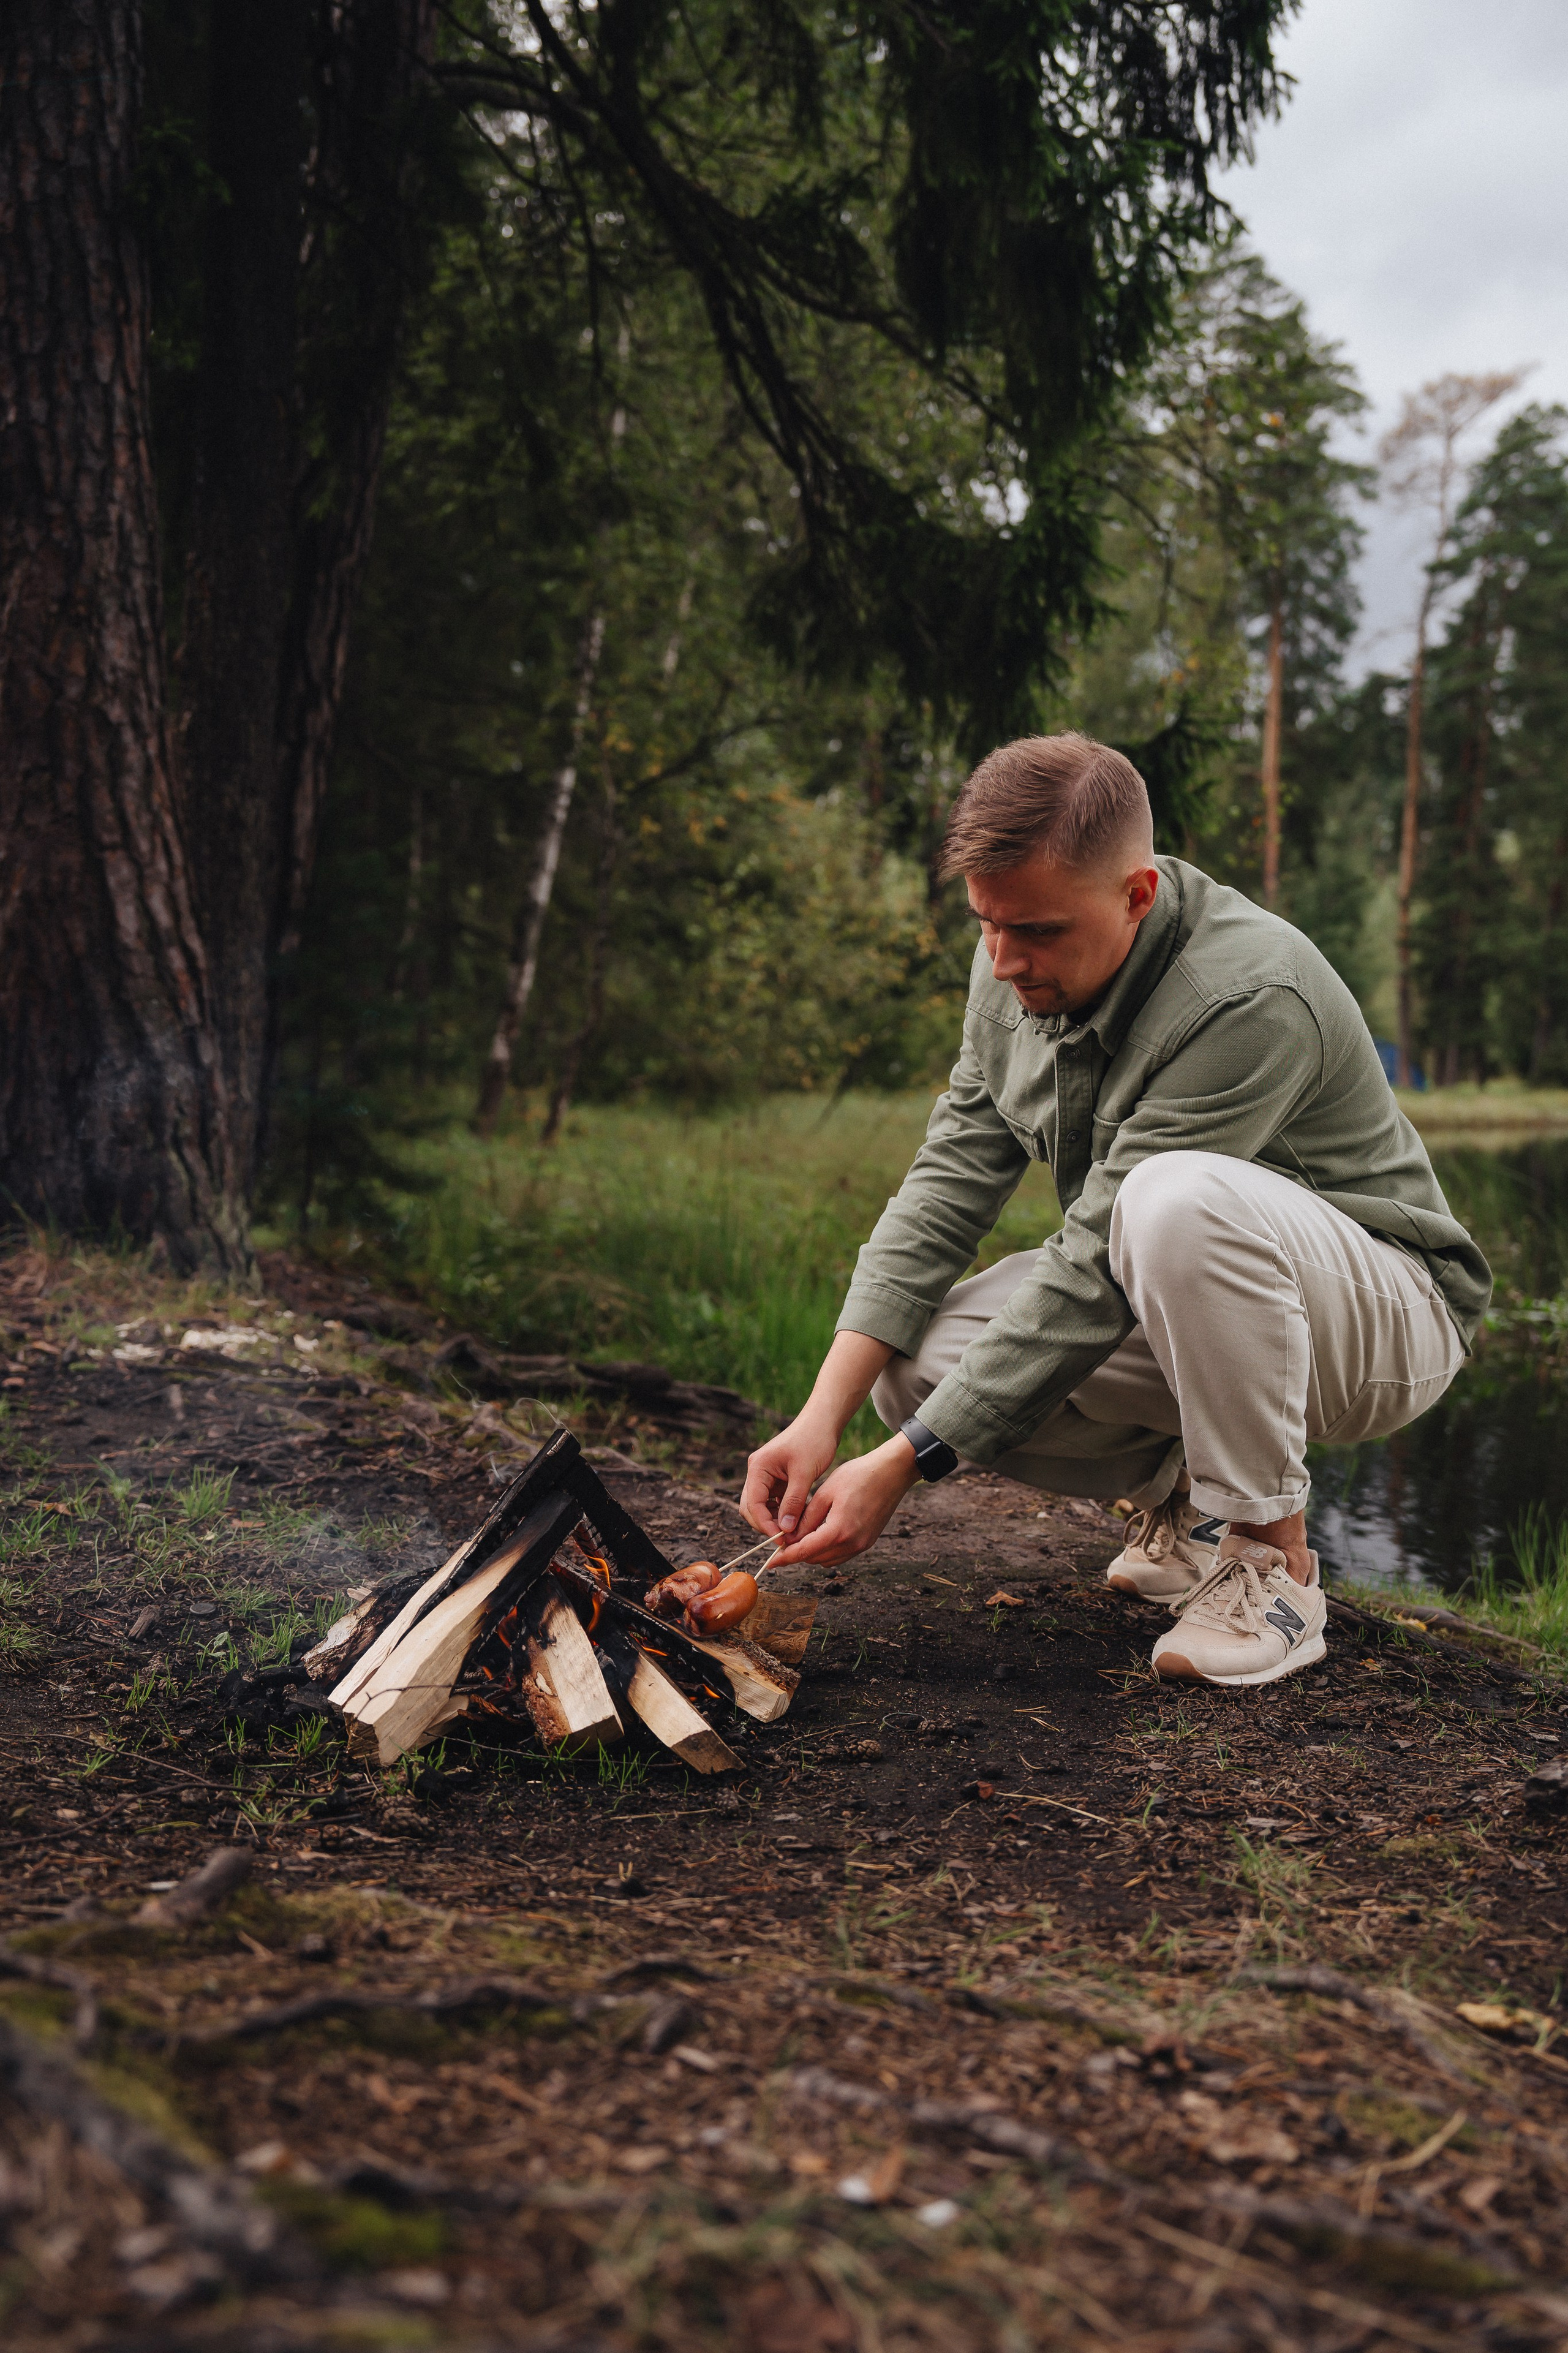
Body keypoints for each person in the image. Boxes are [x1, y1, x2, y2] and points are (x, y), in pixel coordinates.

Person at [739, 733, 1491, 1688]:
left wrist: (898, 1470)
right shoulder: (1013, 957)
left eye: (1039, 931)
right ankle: (1190, 1510)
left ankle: (1276, 1566)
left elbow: (1096, 1261)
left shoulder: (1248, 994)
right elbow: (945, 1185)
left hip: (1389, 1316)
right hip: (1210, 1302)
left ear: (1136, 894)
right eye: (985, 924)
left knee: (1170, 1198)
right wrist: (822, 1415)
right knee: (915, 1366)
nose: (1006, 959)